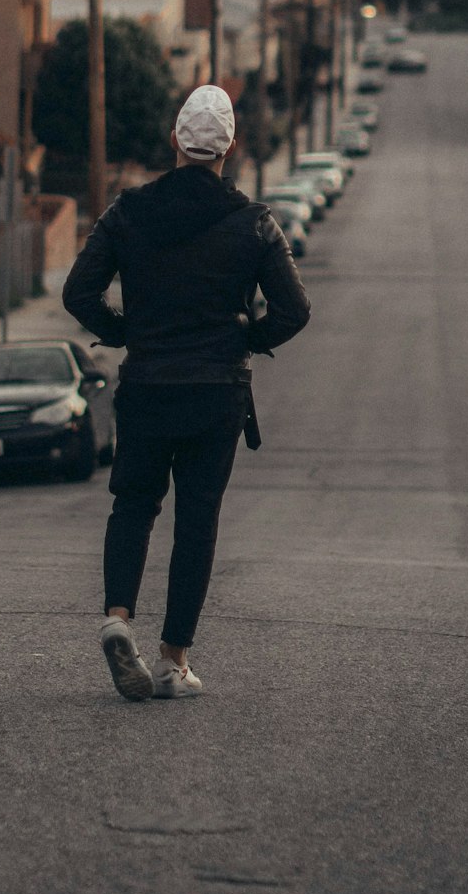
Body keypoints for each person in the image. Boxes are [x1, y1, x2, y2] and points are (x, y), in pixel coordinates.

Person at [62, 83, 311, 702]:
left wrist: (127, 332)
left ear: (174, 141)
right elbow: (296, 308)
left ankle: (118, 619)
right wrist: (248, 337)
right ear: (231, 148)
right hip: (215, 392)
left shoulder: (127, 212)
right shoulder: (254, 222)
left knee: (133, 505)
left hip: (146, 385)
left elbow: (78, 293)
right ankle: (174, 661)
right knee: (196, 521)